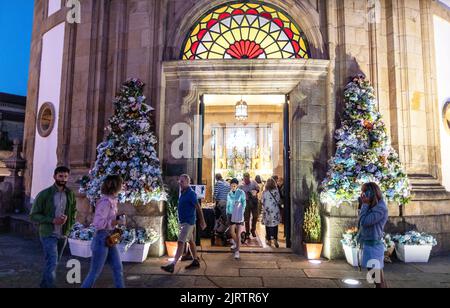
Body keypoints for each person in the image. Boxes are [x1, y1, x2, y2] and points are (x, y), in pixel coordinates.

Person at [30, 166, 77, 288]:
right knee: (51, 262)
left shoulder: (70, 194)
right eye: (60, 176)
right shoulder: (44, 194)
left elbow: (73, 212)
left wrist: (69, 223)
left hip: (63, 234)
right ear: (55, 176)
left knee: (53, 263)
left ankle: (44, 285)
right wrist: (52, 220)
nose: (63, 179)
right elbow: (33, 215)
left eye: (65, 176)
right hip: (48, 234)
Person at [81, 175, 126, 288]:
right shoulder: (105, 202)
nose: (123, 185)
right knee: (94, 272)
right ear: (116, 186)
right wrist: (115, 222)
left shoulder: (112, 200)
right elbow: (98, 223)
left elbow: (108, 218)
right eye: (121, 183)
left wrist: (116, 219)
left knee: (117, 267)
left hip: (110, 238)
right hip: (101, 238)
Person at [161, 174, 207, 273]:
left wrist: (202, 221)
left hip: (188, 222)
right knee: (190, 242)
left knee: (180, 242)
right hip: (184, 222)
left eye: (182, 181)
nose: (180, 183)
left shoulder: (191, 194)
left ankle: (173, 265)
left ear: (188, 182)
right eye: (179, 181)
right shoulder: (183, 192)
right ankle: (195, 260)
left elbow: (198, 207)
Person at [358, 182, 388, 288]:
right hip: (370, 245)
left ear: (371, 193)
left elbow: (364, 221)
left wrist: (365, 205)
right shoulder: (374, 206)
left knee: (378, 280)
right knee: (378, 278)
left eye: (364, 192)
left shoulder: (380, 208)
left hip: (373, 247)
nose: (362, 195)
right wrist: (363, 205)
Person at [226, 178, 246, 260]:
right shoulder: (229, 193)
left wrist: (242, 211)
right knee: (231, 231)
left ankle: (237, 251)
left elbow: (244, 202)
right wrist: (227, 212)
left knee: (238, 233)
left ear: (237, 185)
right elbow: (228, 203)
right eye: (231, 185)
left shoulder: (241, 192)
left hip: (238, 214)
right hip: (230, 214)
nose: (233, 187)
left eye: (234, 185)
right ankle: (237, 243)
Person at [262, 178, 281, 248]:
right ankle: (275, 239)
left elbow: (262, 201)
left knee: (268, 225)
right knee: (275, 225)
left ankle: (269, 239)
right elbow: (278, 200)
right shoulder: (276, 191)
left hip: (267, 211)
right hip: (275, 210)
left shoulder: (265, 192)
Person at [240, 173, 260, 239]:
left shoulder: (253, 182)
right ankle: (247, 232)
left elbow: (258, 189)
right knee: (246, 218)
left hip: (254, 201)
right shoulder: (241, 185)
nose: (246, 181)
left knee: (255, 216)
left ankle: (253, 230)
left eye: (247, 179)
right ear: (243, 178)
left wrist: (255, 192)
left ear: (249, 178)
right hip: (246, 202)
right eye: (245, 180)